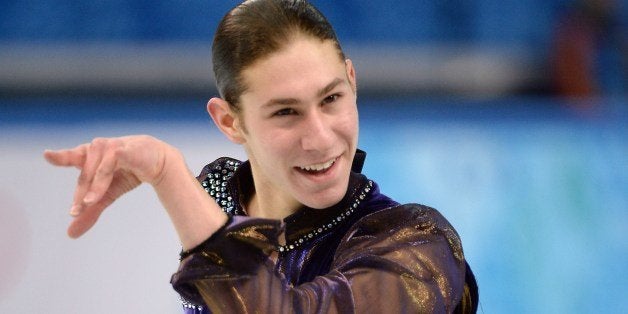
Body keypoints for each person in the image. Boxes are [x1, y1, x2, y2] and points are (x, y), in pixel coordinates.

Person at [44, 0, 478, 313]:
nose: (321, 138)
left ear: (352, 80)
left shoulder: (418, 245)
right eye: (286, 112)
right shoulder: (220, 197)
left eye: (331, 99)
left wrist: (165, 173)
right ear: (230, 122)